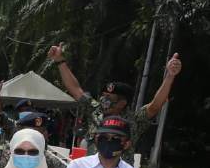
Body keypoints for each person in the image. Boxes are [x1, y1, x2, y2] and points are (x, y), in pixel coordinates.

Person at [48, 44, 183, 160]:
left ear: (122, 103)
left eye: (110, 99)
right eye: (103, 96)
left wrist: (170, 76)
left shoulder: (133, 121)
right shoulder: (95, 110)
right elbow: (75, 89)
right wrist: (60, 61)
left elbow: (155, 106)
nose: (104, 101)